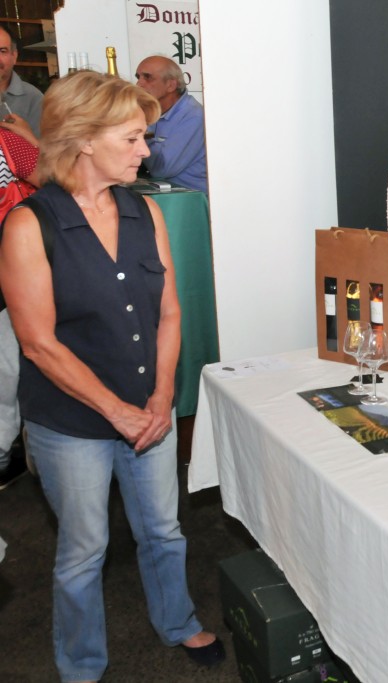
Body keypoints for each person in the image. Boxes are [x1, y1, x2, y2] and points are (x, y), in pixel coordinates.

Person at [0, 70, 224, 682]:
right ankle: (80, 665)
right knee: (83, 550)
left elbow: (170, 312)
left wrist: (161, 396)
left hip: (148, 408)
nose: (145, 151)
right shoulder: (29, 225)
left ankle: (177, 621)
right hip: (71, 422)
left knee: (165, 530)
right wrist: (117, 411)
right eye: (131, 138)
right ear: (82, 140)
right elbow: (38, 344)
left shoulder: (144, 211)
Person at [0, 116, 42, 491]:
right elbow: (56, 178)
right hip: (10, 264)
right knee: (8, 366)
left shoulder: (8, 141)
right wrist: (30, 138)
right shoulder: (9, 142)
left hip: (9, 267)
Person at [134, 55, 207, 193]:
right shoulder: (152, 111)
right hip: (161, 193)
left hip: (188, 199)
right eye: (138, 77)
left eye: (147, 77)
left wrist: (141, 132)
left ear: (171, 85)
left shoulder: (193, 116)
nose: (139, 84)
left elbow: (162, 169)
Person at [0, 25, 43, 136]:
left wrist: (26, 135)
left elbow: (47, 146)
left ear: (14, 56)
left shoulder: (33, 98)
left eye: (2, 51)